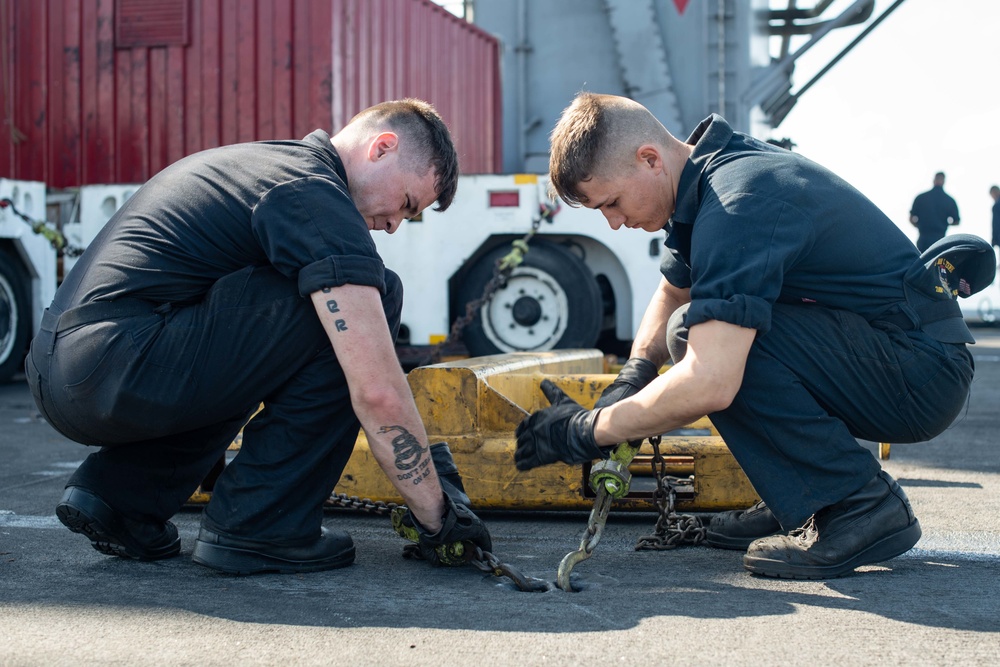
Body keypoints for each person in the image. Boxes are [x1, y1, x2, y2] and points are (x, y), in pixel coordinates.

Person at [514, 93, 994, 579]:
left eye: (611, 203)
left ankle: (858, 503)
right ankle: (803, 495)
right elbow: (673, 291)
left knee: (705, 340)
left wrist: (587, 430)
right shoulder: (708, 178)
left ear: (650, 159)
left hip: (920, 375)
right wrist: (632, 377)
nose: (613, 222)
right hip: (890, 357)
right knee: (693, 325)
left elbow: (711, 380)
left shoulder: (737, 201)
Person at [25, 99, 491, 574]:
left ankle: (122, 498)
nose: (393, 225)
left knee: (273, 331)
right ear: (383, 147)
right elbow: (375, 389)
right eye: (407, 204)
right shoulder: (314, 195)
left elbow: (235, 352)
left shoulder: (268, 166)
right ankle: (261, 524)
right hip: (118, 364)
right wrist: (438, 517)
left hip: (64, 368)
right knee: (369, 297)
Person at [910, 172, 960, 251]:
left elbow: (911, 218)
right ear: (944, 181)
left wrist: (919, 225)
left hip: (923, 237)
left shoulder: (921, 197)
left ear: (934, 180)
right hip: (940, 239)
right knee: (937, 261)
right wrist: (945, 223)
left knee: (922, 260)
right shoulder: (949, 200)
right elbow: (956, 221)